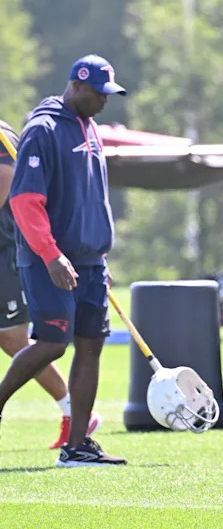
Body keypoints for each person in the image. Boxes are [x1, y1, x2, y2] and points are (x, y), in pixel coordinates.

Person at [0, 54, 126, 467]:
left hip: (90, 261)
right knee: (53, 343)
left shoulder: (89, 126)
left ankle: (77, 447)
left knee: (91, 346)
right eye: (99, 94)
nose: (105, 102)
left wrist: (99, 254)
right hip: (48, 259)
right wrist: (52, 255)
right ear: (77, 85)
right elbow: (24, 200)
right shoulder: (43, 128)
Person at [0, 119, 102, 449]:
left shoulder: (2, 133)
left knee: (14, 339)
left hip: (8, 248)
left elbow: (6, 180)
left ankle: (73, 410)